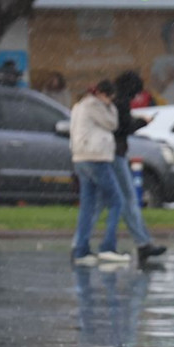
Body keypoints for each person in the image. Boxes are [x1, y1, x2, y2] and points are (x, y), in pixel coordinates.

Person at [106, 70, 168, 262]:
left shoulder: (112, 100)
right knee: (128, 200)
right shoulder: (121, 103)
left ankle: (139, 243)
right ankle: (141, 243)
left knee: (110, 202)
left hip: (109, 154)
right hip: (116, 155)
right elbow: (124, 127)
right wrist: (143, 122)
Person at [69, 80, 131, 265]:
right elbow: (112, 123)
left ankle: (81, 250)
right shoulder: (94, 105)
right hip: (96, 158)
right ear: (104, 94)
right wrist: (110, 106)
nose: (111, 101)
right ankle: (107, 247)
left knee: (88, 206)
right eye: (110, 97)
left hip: (81, 158)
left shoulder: (79, 105)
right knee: (116, 201)